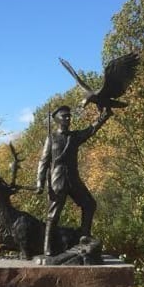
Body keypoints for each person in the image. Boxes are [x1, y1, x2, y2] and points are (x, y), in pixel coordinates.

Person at [36, 105, 113, 256]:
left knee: (90, 204)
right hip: (58, 181)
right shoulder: (51, 138)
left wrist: (105, 116)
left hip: (74, 180)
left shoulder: (74, 136)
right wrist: (40, 182)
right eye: (64, 116)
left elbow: (91, 130)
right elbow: (43, 161)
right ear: (57, 119)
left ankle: (84, 236)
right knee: (53, 215)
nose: (68, 118)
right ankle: (47, 247)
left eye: (69, 116)